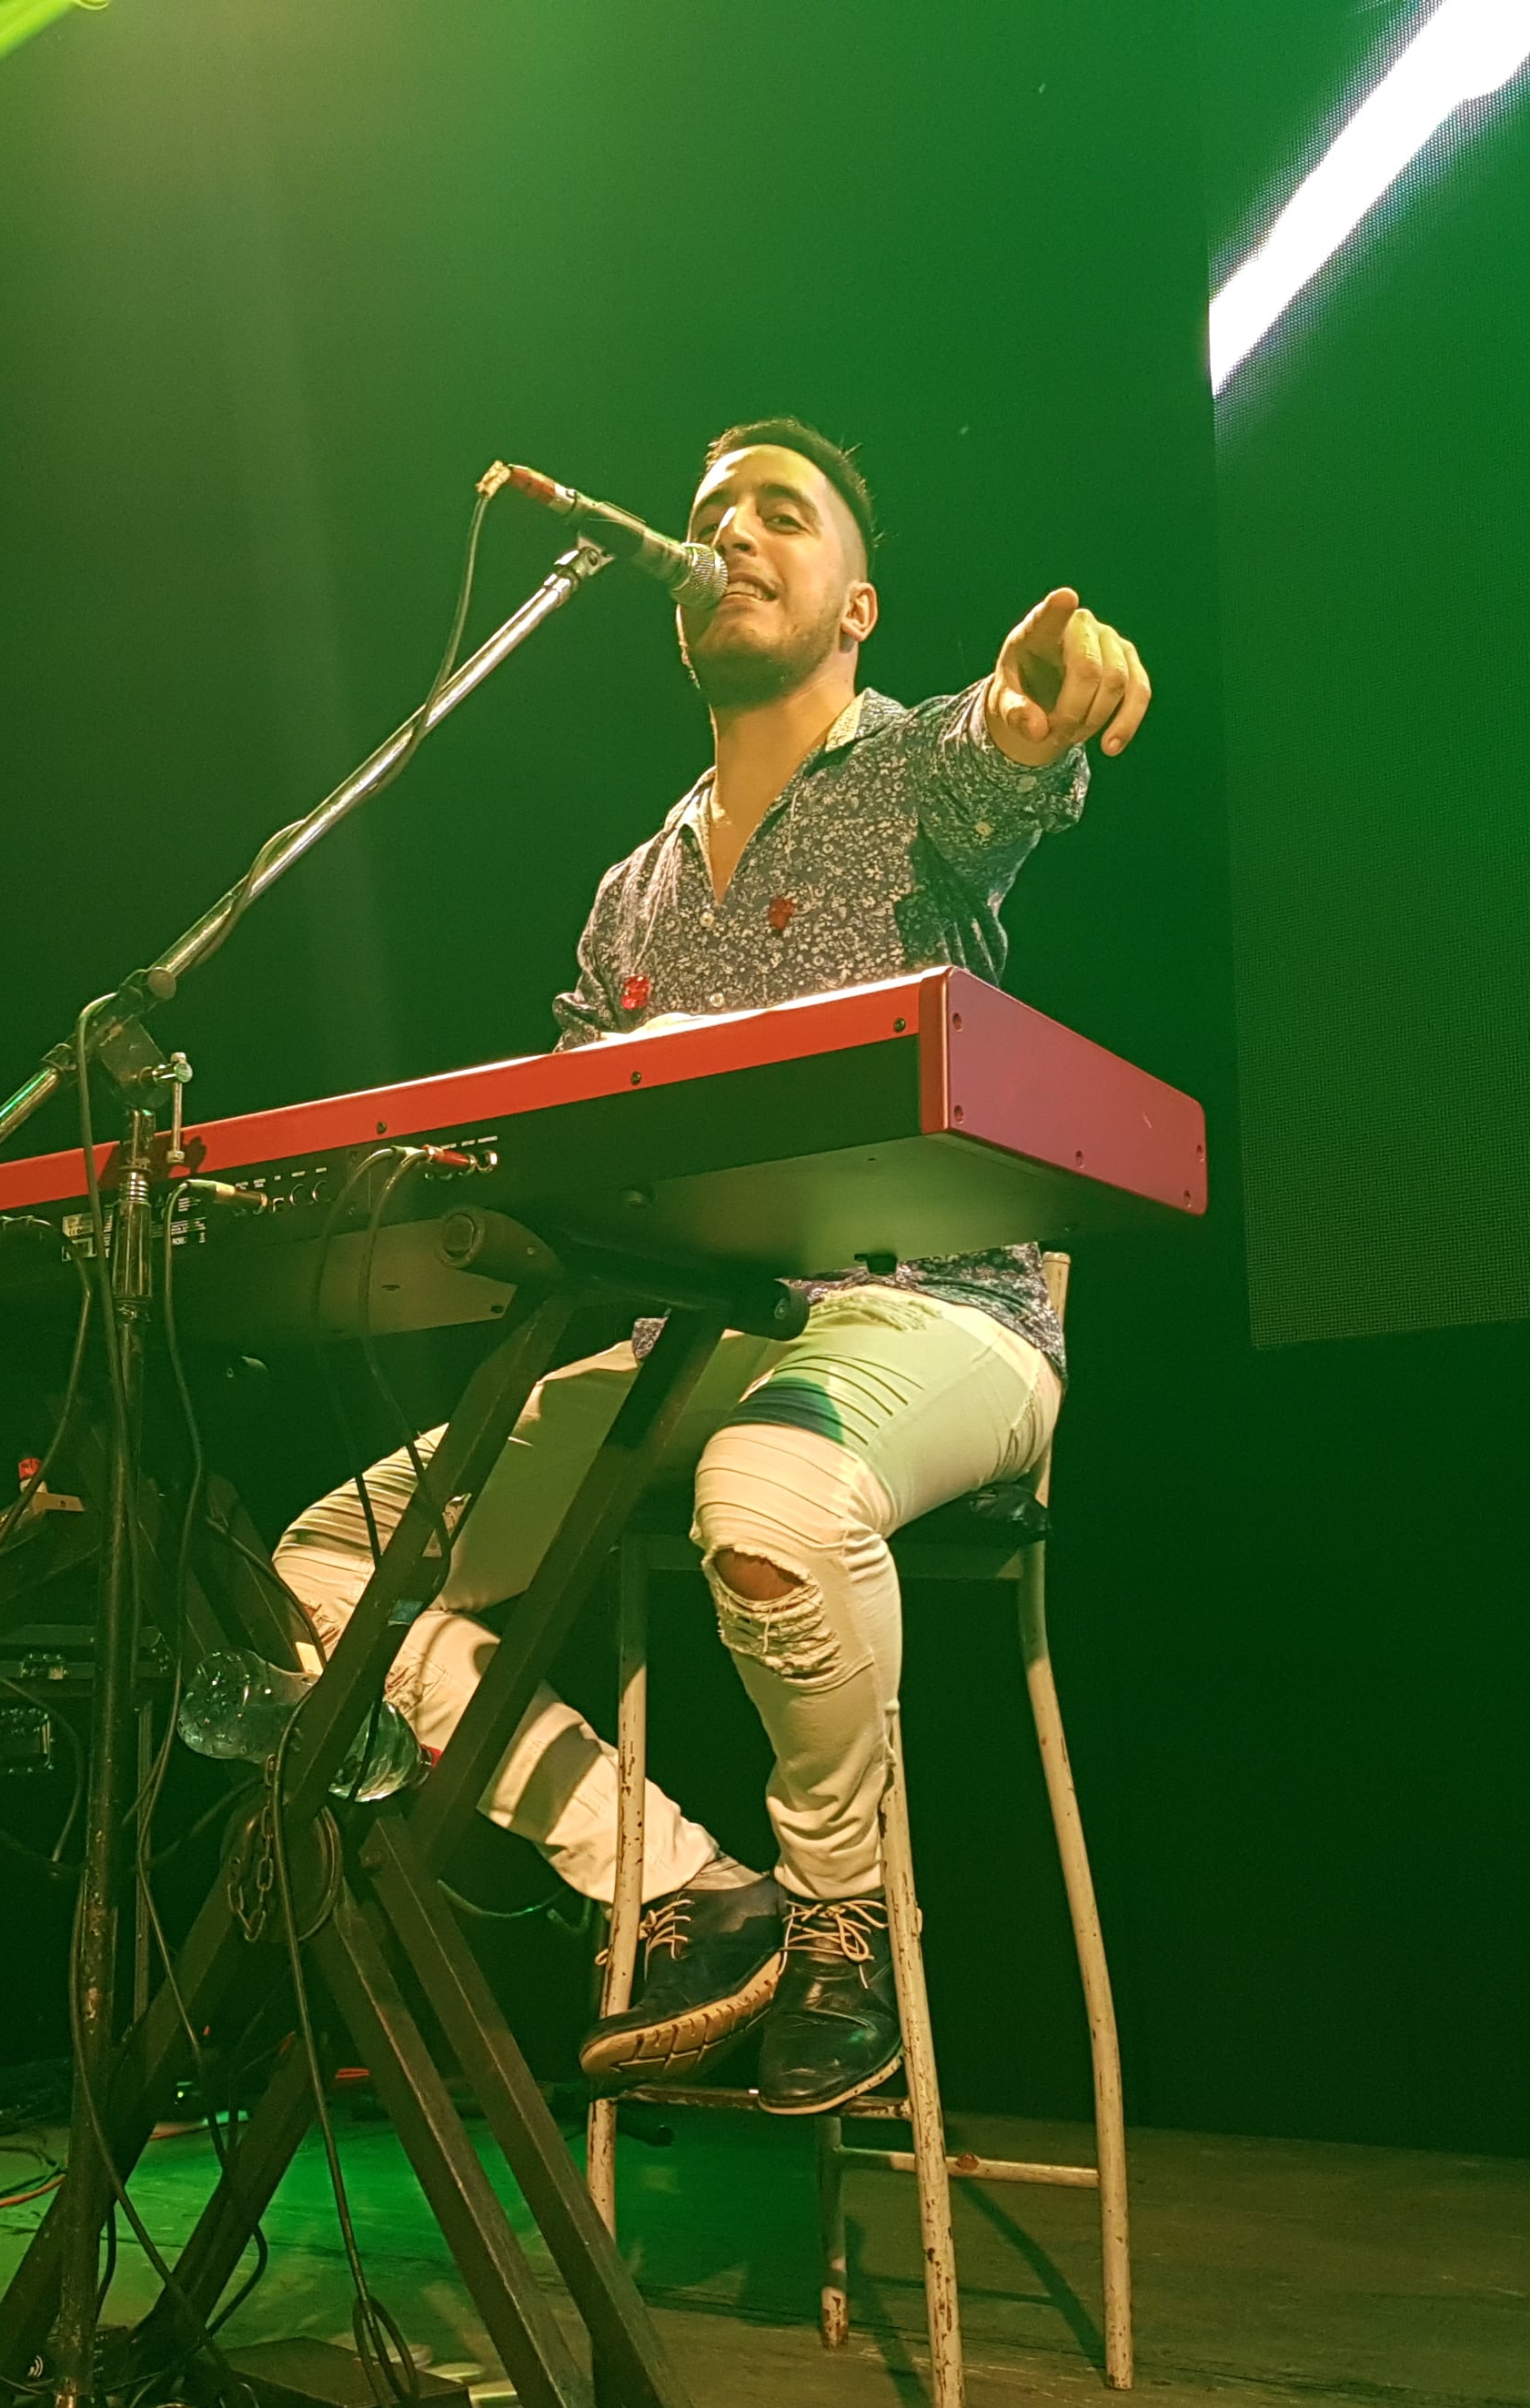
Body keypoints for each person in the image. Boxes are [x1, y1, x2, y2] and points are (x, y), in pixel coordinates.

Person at [275, 419, 1150, 2115]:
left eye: (781, 513)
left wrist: (1044, 701)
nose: (732, 537)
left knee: (764, 1495)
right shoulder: (628, 898)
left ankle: (842, 1934)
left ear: (859, 606)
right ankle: (682, 1887)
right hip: (703, 1339)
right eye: (708, 519)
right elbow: (574, 1160)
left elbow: (1013, 739)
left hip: (939, 1317)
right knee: (327, 1574)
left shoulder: (918, 773)